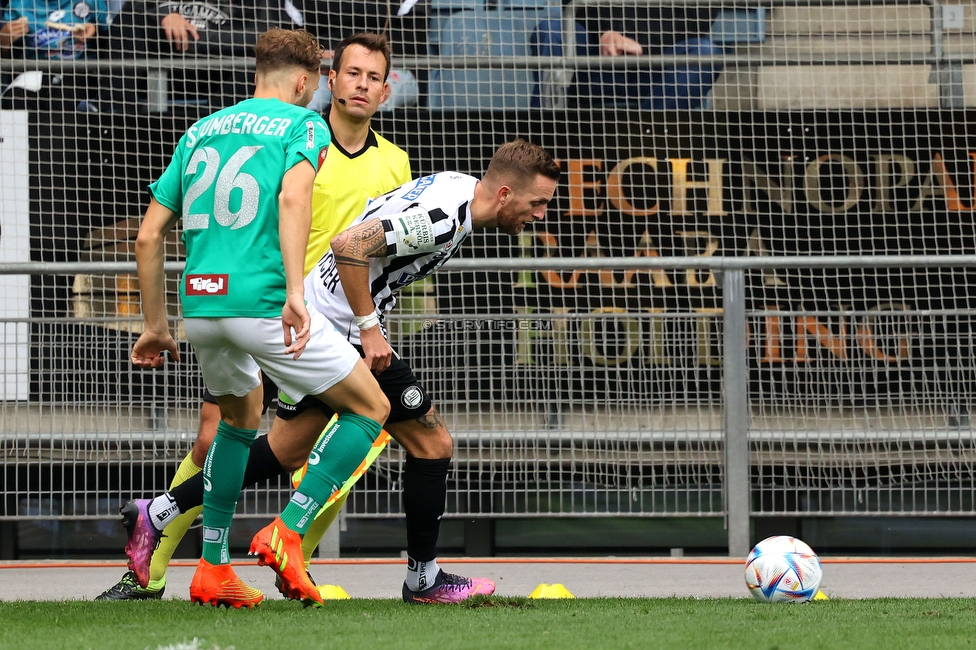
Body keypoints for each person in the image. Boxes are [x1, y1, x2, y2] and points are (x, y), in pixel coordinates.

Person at [99, 31, 483, 606]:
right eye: (350, 72)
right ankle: (152, 570)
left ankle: (232, 553)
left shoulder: (394, 162)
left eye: (372, 77)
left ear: (385, 91)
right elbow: (291, 206)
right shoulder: (300, 131)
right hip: (278, 307)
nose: (360, 83)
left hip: (280, 313)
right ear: (323, 81)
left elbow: (389, 252)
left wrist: (372, 320)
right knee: (227, 437)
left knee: (287, 447)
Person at [117, 138, 559, 605]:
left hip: (315, 314)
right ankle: (419, 577)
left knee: (286, 450)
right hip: (339, 328)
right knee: (432, 444)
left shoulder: (455, 185)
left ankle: (159, 510)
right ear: (506, 193)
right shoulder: (443, 218)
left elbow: (372, 222)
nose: (542, 214)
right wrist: (370, 328)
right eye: (538, 203)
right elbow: (350, 244)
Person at [128, 26, 390, 608]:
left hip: (201, 306)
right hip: (263, 301)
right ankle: (288, 529)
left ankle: (212, 567)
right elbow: (295, 199)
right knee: (370, 407)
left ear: (257, 72)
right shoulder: (304, 125)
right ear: (304, 81)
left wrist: (156, 325)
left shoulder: (199, 131)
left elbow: (148, 237)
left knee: (239, 423)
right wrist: (295, 292)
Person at [530, 5, 722, 110]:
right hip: (596, 62)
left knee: (705, 52)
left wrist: (642, 43)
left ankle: (644, 135)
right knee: (551, 30)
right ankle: (545, 141)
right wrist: (605, 32)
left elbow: (700, 15)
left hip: (659, 70)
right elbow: (574, 4)